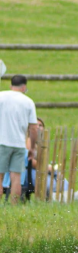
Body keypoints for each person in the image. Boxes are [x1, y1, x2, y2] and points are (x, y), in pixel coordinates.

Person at [0, 75, 38, 205]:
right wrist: (31, 148)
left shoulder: (1, 96)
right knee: (16, 177)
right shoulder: (28, 102)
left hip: (2, 142)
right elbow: (33, 128)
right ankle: (13, 206)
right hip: (19, 144)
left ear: (11, 85)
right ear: (24, 87)